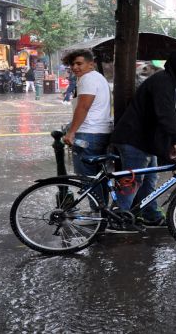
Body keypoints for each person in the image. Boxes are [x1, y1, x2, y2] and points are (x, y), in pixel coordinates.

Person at [111, 49, 176, 228]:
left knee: (150, 179)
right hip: (134, 138)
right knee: (133, 180)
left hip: (146, 140)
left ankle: (151, 215)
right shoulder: (163, 82)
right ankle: (117, 219)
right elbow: (165, 114)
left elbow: (175, 117)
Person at [61, 49, 113, 224]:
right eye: (72, 64)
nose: (75, 67)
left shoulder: (88, 79)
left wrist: (71, 132)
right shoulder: (98, 78)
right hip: (101, 132)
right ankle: (102, 212)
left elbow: (83, 107)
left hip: (88, 134)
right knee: (99, 178)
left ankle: (98, 215)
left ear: (91, 64)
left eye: (79, 63)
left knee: (87, 178)